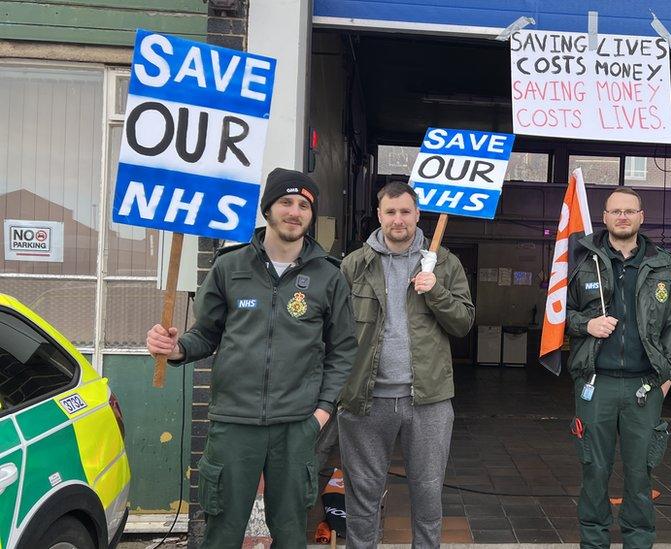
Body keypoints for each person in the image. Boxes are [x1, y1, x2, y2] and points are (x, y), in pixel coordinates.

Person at [146, 168, 358, 549]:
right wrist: (175, 348)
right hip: (233, 422)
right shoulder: (230, 266)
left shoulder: (330, 276)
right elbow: (206, 334)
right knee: (222, 531)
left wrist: (321, 413)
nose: (294, 212)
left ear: (311, 215)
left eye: (303, 205)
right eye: (285, 202)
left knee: (291, 532)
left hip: (296, 425)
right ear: (267, 209)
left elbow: (343, 350)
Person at [338, 181, 474, 548]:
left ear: (417, 215)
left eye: (406, 212)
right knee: (362, 497)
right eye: (391, 212)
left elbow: (463, 323)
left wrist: (437, 292)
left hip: (427, 401)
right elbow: (332, 333)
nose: (398, 220)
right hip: (365, 401)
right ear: (379, 215)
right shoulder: (353, 265)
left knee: (429, 496)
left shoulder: (444, 263)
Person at [565, 187, 671, 549]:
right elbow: (559, 315)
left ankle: (639, 541)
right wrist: (586, 325)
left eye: (629, 211)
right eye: (615, 211)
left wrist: (667, 377)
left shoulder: (663, 263)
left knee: (639, 474)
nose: (622, 217)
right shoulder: (583, 260)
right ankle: (594, 542)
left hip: (644, 387)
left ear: (641, 217)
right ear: (604, 216)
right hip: (596, 383)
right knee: (594, 471)